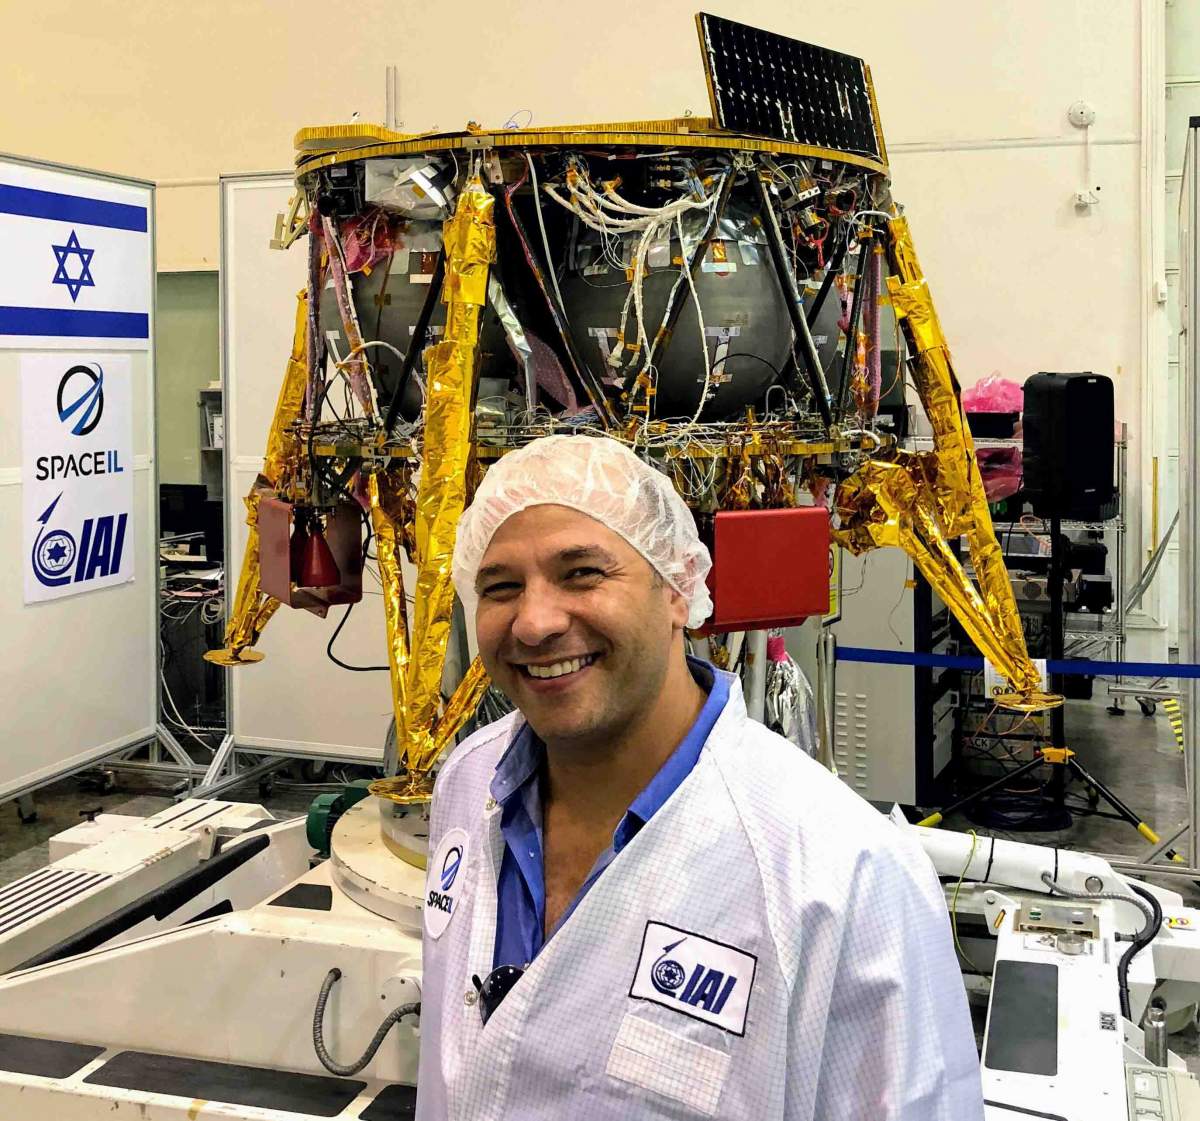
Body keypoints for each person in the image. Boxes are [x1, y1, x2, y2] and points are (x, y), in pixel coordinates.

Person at [416, 434, 983, 1120]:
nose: (533, 623)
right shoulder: (469, 781)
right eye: (501, 587)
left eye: (582, 573)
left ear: (679, 588)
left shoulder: (844, 875)